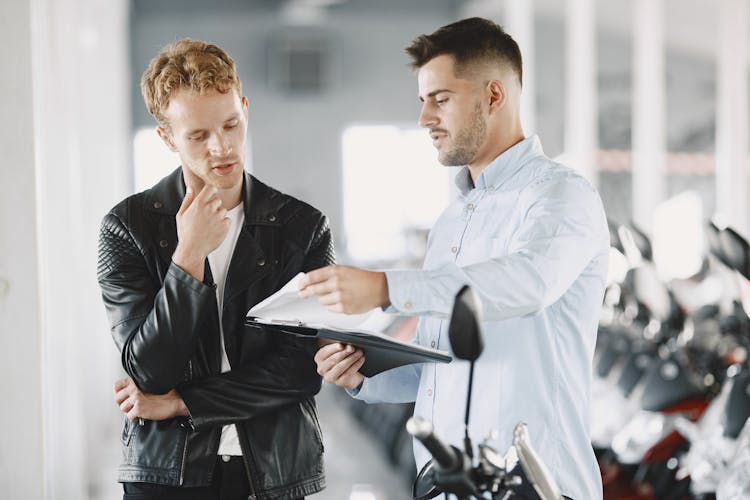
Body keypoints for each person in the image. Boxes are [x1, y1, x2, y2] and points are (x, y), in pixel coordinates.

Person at [300, 17, 608, 500]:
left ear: (494, 95)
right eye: (423, 101)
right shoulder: (453, 220)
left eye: (440, 99)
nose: (425, 118)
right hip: (447, 480)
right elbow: (440, 366)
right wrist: (363, 377)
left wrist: (385, 288)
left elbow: (528, 284)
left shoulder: (560, 196)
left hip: (530, 480)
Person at [97, 39, 332, 500]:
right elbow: (148, 372)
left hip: (275, 468)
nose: (222, 147)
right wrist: (187, 257)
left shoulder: (300, 226)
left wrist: (182, 402)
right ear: (166, 138)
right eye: (199, 135)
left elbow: (302, 368)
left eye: (230, 124)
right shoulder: (127, 228)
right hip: (168, 472)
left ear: (245, 108)